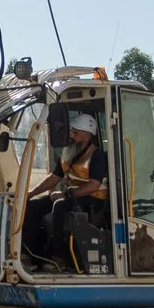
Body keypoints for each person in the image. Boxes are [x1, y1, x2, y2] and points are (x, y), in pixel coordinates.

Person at [22, 111, 111, 269]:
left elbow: (94, 185)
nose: (71, 135)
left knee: (60, 206)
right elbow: (54, 178)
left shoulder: (96, 155)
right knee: (33, 206)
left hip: (92, 199)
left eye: (75, 132)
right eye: (71, 131)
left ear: (87, 135)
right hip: (72, 196)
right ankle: (27, 255)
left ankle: (59, 258)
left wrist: (65, 194)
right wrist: (30, 194)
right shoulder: (68, 153)